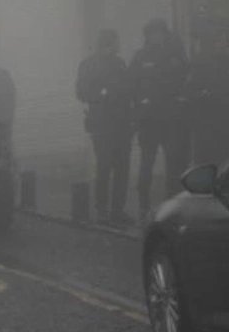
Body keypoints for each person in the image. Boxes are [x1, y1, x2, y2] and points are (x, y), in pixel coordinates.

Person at [132, 19, 189, 221]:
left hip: (171, 120)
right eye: (153, 33)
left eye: (160, 33)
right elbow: (133, 86)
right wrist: (139, 109)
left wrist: (179, 103)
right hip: (148, 121)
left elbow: (185, 80)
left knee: (173, 163)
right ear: (147, 35)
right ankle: (143, 205)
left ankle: (170, 205)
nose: (157, 36)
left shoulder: (175, 56)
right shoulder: (140, 57)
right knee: (147, 163)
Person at [75, 29, 133, 225]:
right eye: (116, 42)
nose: (118, 46)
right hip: (102, 123)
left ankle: (117, 209)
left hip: (122, 123)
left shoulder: (120, 64)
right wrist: (103, 94)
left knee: (122, 167)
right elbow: (82, 92)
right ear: (108, 43)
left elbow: (128, 89)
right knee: (105, 165)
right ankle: (102, 209)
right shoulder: (88, 65)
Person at [184, 33, 229, 167]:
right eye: (217, 41)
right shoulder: (200, 66)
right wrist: (206, 96)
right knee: (206, 164)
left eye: (224, 42)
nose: (220, 45)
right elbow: (189, 92)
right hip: (207, 127)